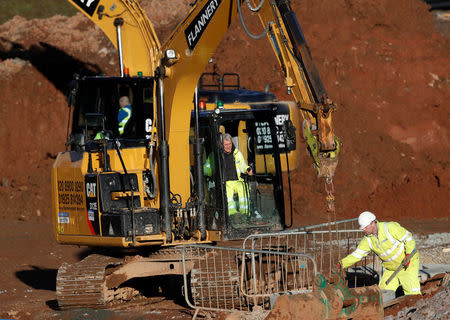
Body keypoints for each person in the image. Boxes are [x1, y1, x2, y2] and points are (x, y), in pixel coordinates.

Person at [337, 211, 421, 296]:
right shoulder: (368, 240)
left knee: (413, 295)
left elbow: (409, 239)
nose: (363, 229)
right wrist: (341, 264)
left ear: (373, 223)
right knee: (383, 295)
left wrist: (408, 255)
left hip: (407, 265)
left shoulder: (390, 228)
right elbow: (356, 255)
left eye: (365, 227)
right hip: (391, 269)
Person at [205, 133, 253, 224]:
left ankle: (245, 214)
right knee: (227, 192)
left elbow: (242, 165)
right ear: (221, 145)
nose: (228, 146)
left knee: (244, 187)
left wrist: (247, 169)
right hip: (225, 182)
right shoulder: (215, 155)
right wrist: (210, 171)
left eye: (230, 144)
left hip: (237, 180)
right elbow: (206, 168)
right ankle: (233, 215)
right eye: (226, 145)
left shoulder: (237, 153)